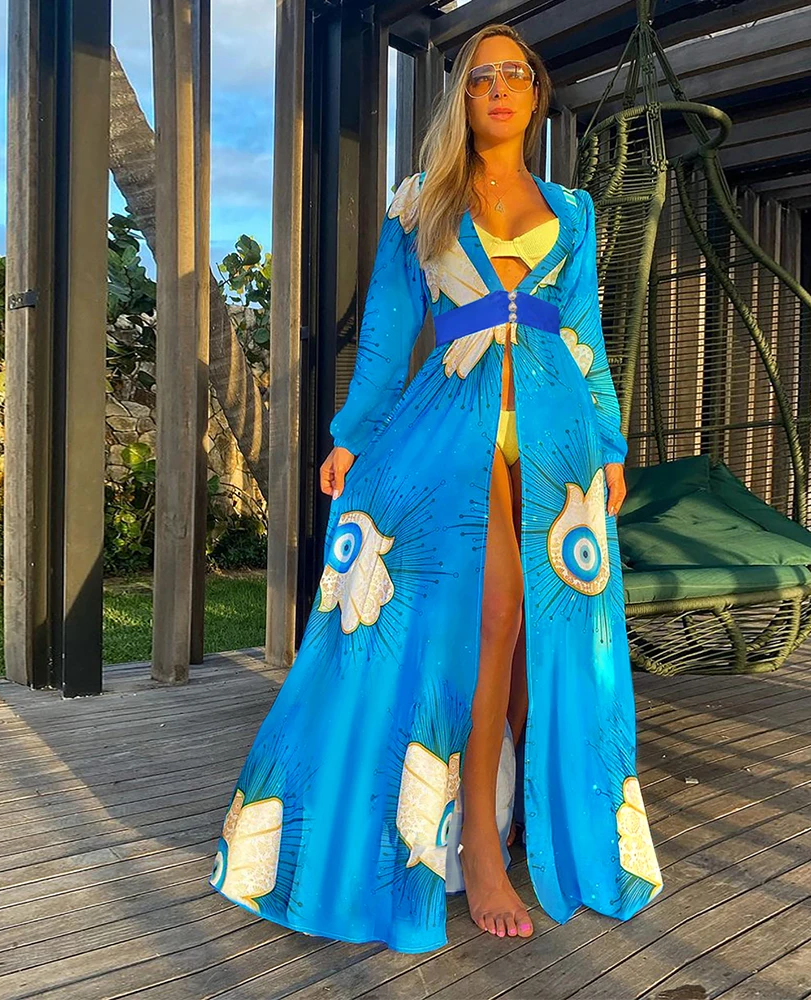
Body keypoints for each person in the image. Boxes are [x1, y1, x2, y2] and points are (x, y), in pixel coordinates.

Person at [208, 22, 663, 954]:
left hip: (558, 439)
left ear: (535, 94)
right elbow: (386, 332)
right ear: (461, 97)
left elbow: (586, 338)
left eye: (513, 74)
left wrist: (612, 446)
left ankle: (528, 817)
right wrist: (351, 435)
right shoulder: (422, 200)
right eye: (479, 76)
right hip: (454, 427)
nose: (497, 87)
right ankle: (481, 850)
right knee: (497, 612)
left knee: (546, 636)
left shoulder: (573, 212)